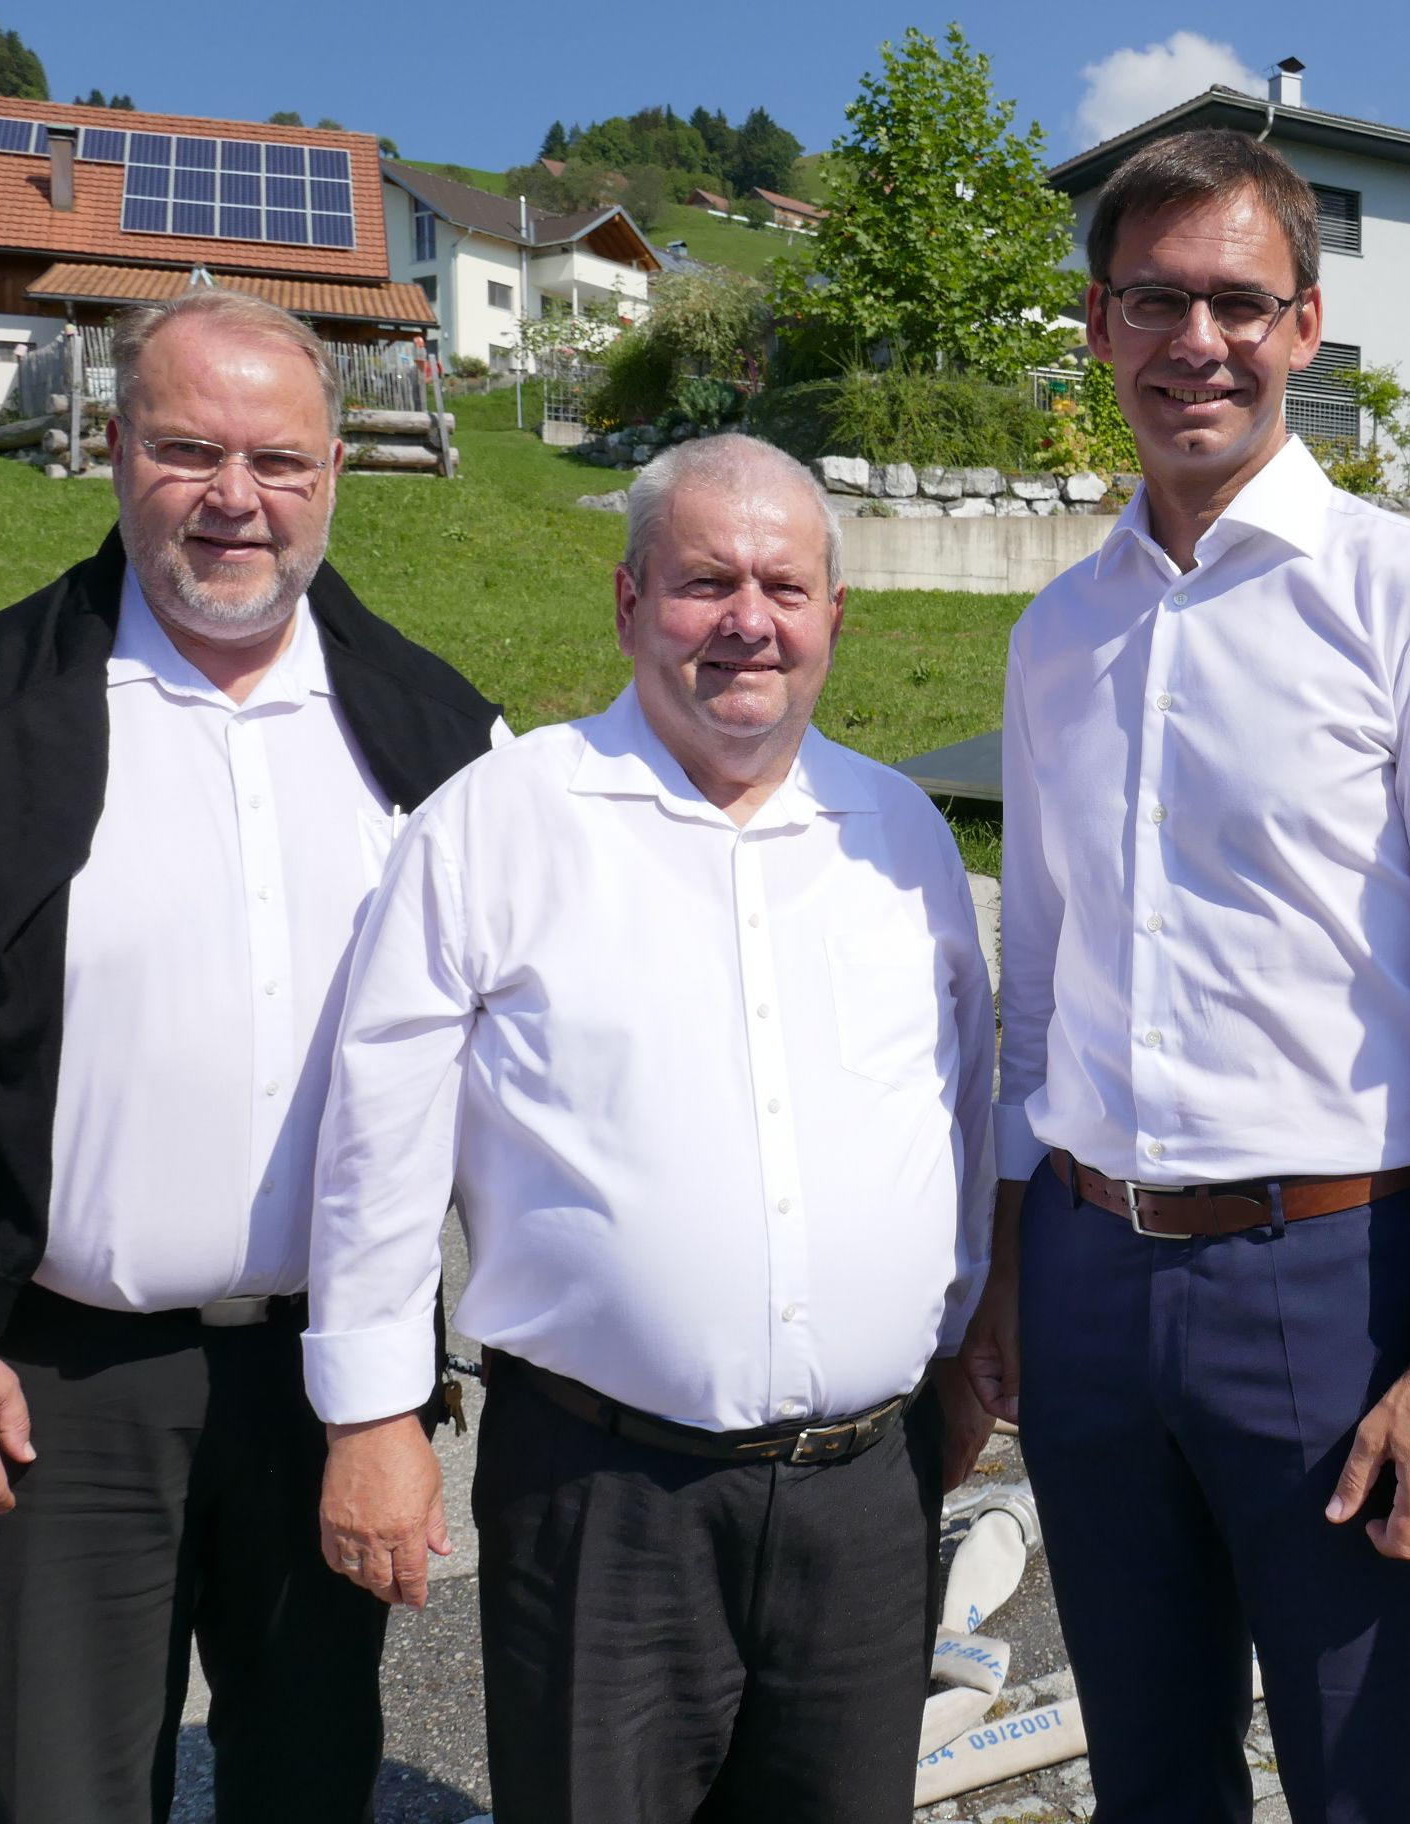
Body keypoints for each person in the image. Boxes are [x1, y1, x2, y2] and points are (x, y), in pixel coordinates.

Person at [0, 288, 503, 1822]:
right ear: (112, 448)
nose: (237, 498)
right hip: (58, 1379)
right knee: (67, 1793)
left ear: (334, 474)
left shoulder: (444, 742)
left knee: (310, 1783)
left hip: (333, 1376)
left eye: (279, 461)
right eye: (187, 451)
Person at [956, 130, 1410, 1823]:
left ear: (1307, 324)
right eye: (1155, 300)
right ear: (1099, 325)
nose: (1198, 341)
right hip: (1090, 1271)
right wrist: (1010, 1260)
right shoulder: (1057, 633)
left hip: (1330, 1278)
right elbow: (1042, 973)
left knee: (1360, 1782)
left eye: (1240, 301)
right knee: (1147, 1778)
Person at [304, 432, 996, 1824]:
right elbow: (379, 1141)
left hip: (869, 1490)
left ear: (835, 616)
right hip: (604, 1495)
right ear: (629, 603)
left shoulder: (899, 833)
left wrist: (971, 1345)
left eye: (784, 587)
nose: (749, 621)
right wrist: (372, 1413)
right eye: (704, 583)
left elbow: (962, 1108)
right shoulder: (498, 824)